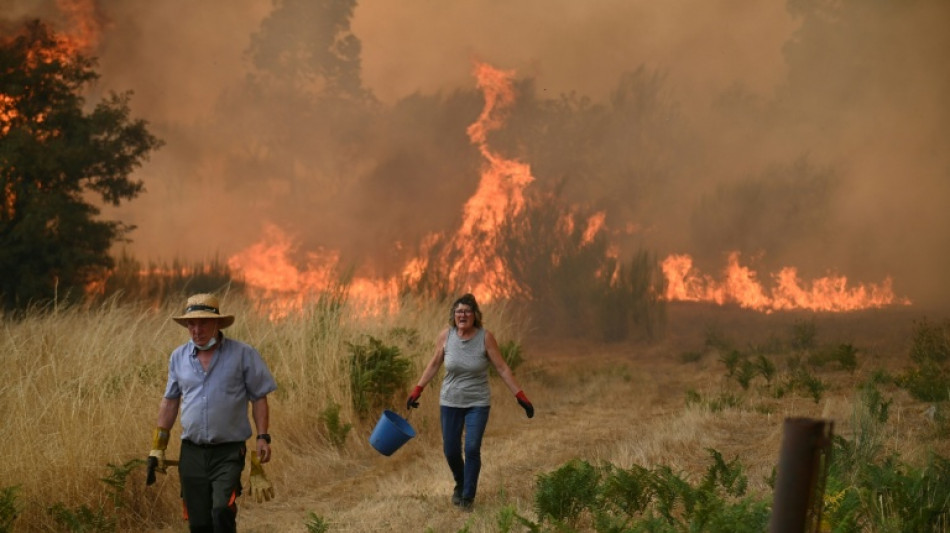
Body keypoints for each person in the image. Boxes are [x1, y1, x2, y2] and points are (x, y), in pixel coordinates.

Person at [147, 293, 278, 533]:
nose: (197, 330)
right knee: (198, 524)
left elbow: (259, 397)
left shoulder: (243, 354)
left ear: (217, 323)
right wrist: (158, 445)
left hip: (228, 451)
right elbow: (170, 401)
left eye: (203, 322)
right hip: (192, 453)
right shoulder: (178, 358)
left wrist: (262, 437)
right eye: (191, 324)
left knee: (221, 511)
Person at [406, 293, 535, 511]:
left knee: (472, 447)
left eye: (467, 311)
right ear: (453, 316)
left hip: (478, 402)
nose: (462, 315)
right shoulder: (446, 336)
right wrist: (417, 389)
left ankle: (467, 497)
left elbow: (502, 368)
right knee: (451, 450)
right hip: (450, 401)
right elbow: (434, 363)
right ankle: (461, 482)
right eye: (458, 311)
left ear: (475, 315)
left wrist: (520, 396)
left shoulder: (485, 337)